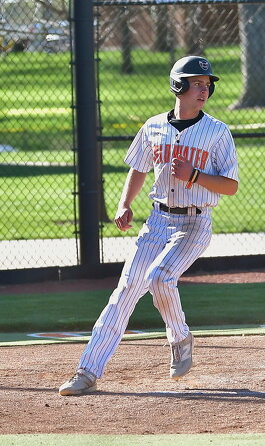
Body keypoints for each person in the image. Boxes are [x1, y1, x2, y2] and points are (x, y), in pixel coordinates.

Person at [59, 56, 239, 395]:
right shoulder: (153, 126)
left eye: (207, 85)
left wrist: (195, 175)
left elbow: (230, 186)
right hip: (157, 221)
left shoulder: (217, 132)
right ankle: (87, 371)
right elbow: (139, 167)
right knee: (125, 292)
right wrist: (124, 203)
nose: (204, 90)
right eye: (196, 83)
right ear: (178, 86)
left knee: (159, 277)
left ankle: (180, 338)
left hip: (194, 222)